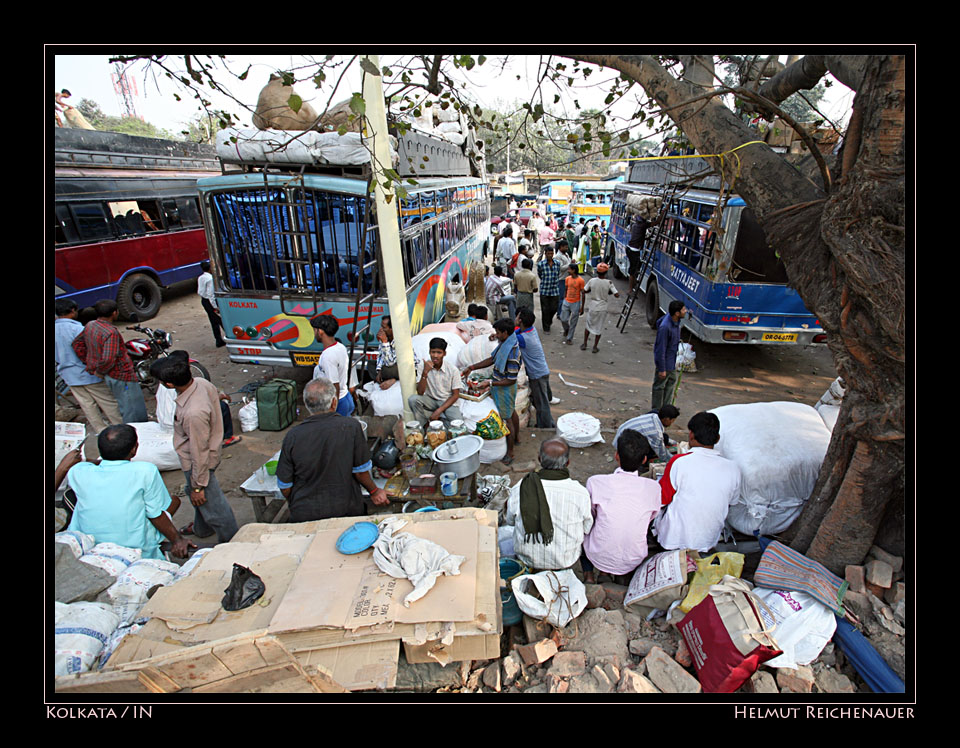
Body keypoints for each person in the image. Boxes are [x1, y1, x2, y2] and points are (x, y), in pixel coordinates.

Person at [66, 424, 194, 559]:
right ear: (134, 449)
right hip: (135, 544)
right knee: (173, 501)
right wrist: (177, 540)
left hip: (89, 541)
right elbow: (155, 515)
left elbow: (91, 464)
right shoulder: (145, 471)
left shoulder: (78, 471)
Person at [276, 378, 388, 521]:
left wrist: (301, 502)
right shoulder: (351, 427)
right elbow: (360, 473)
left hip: (304, 513)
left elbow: (285, 486)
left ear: (306, 404)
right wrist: (374, 491)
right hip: (346, 510)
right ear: (334, 403)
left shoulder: (292, 436)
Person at [158, 358, 239, 543]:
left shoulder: (193, 413)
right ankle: (202, 529)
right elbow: (214, 395)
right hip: (205, 454)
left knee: (215, 507)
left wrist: (198, 486)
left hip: (199, 463)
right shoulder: (201, 383)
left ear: (169, 384)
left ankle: (233, 542)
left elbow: (199, 452)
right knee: (198, 498)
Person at [654, 411, 742, 553]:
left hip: (673, 541)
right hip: (708, 541)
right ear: (718, 438)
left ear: (691, 435)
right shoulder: (734, 468)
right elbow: (732, 503)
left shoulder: (679, 462)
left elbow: (662, 499)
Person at [582, 429, 662, 583]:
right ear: (645, 459)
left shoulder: (596, 482)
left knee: (585, 526)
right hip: (634, 557)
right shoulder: (653, 488)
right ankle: (622, 575)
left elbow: (590, 514)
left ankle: (594, 575)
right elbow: (652, 517)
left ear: (616, 455)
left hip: (598, 553)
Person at [504, 438, 593, 573]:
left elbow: (510, 521)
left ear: (540, 459)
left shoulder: (522, 487)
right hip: (565, 559)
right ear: (567, 463)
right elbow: (587, 528)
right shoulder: (580, 492)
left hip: (528, 557)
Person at [71, 299, 148, 423]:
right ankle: (135, 434)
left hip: (110, 375)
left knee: (123, 404)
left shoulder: (91, 325)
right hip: (122, 376)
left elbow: (77, 344)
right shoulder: (111, 332)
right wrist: (100, 370)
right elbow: (108, 358)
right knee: (132, 409)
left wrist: (90, 361)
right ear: (114, 313)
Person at [56, 298, 123, 435]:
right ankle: (121, 427)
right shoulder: (79, 329)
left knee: (87, 405)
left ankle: (101, 431)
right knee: (108, 402)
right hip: (88, 373)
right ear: (73, 311)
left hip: (68, 374)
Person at [461, 318, 521, 464]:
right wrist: (472, 367)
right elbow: (492, 359)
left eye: (498, 333)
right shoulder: (505, 343)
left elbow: (511, 379)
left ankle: (511, 452)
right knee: (511, 412)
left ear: (505, 333)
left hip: (505, 388)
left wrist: (490, 382)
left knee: (507, 419)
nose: (496, 335)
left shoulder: (512, 352)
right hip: (500, 384)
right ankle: (517, 438)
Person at [154, 351, 241, 447]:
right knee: (222, 407)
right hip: (178, 424)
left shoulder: (165, 382)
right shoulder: (185, 387)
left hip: (166, 422)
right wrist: (219, 398)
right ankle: (226, 438)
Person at [408, 337, 462, 427]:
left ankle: (440, 422)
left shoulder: (452, 370)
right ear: (429, 352)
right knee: (412, 399)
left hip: (446, 401)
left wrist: (438, 411)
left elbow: (455, 395)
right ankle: (424, 426)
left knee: (459, 425)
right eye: (433, 352)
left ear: (444, 354)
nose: (435, 356)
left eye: (439, 352)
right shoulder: (423, 366)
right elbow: (420, 392)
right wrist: (425, 373)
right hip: (431, 400)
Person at [515, 307, 554, 429]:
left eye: (516, 317)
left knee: (542, 405)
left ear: (520, 320)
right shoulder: (531, 330)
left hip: (537, 375)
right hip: (542, 371)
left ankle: (546, 427)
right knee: (541, 400)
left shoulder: (524, 339)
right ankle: (545, 423)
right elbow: (515, 332)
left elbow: (508, 337)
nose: (514, 318)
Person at [311, 315, 354, 416]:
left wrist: (332, 411)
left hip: (338, 403)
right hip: (346, 397)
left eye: (314, 330)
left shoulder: (328, 356)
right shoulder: (340, 347)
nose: (314, 334)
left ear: (320, 332)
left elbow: (334, 385)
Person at [613, 404, 680, 464]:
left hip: (622, 434)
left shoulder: (653, 414)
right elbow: (662, 454)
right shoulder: (656, 432)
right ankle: (640, 463)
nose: (672, 423)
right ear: (666, 419)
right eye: (672, 421)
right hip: (624, 445)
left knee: (664, 438)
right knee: (653, 449)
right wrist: (674, 460)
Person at [652, 300, 687, 410]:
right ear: (677, 313)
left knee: (670, 385)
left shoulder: (672, 319)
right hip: (665, 363)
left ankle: (666, 408)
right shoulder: (665, 328)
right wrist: (662, 369)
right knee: (659, 387)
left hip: (672, 362)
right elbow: (660, 350)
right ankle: (656, 410)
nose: (685, 311)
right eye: (683, 310)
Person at [580, 262, 620, 352]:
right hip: (602, 307)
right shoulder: (609, 282)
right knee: (599, 327)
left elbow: (584, 291)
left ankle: (585, 344)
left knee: (588, 326)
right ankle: (595, 347)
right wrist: (608, 291)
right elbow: (616, 294)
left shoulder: (592, 281)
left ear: (597, 272)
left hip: (593, 306)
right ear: (605, 273)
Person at [197, 261, 226, 348]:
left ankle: (218, 339)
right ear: (210, 269)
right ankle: (229, 336)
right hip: (210, 302)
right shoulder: (210, 279)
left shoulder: (201, 277)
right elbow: (211, 295)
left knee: (213, 321)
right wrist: (215, 307)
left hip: (204, 300)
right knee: (221, 320)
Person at [535, 245, 563, 334]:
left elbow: (558, 273)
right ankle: (546, 328)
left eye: (551, 253)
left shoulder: (557, 263)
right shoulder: (541, 264)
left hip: (555, 290)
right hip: (544, 290)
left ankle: (549, 320)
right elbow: (540, 275)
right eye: (548, 254)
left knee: (554, 308)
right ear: (545, 254)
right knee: (545, 309)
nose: (550, 255)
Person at [558, 263, 586, 345]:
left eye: (569, 269)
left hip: (575, 302)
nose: (568, 270)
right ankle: (566, 329)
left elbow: (583, 294)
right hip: (567, 301)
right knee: (563, 319)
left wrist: (582, 307)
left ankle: (569, 338)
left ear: (573, 270)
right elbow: (566, 289)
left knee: (573, 322)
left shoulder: (581, 280)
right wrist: (564, 299)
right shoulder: (567, 279)